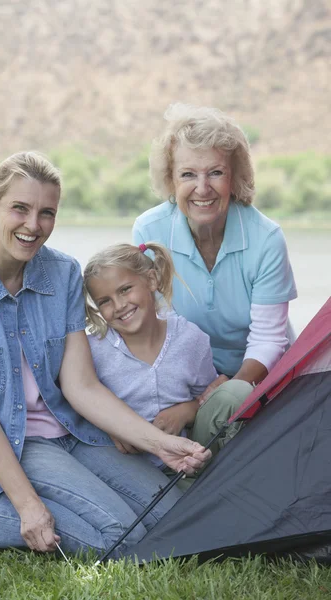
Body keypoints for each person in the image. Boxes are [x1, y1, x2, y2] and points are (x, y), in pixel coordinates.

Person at [0, 151, 211, 557]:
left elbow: (81, 387)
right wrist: (29, 508)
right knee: (121, 537)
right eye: (20, 209)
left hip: (74, 429)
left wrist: (158, 444)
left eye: (47, 212)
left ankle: (9, 502)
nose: (33, 225)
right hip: (18, 441)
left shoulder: (62, 273)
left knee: (172, 513)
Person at [133, 104, 297, 417]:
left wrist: (228, 388)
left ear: (234, 176)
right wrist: (193, 398)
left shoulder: (266, 239)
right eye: (188, 174)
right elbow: (162, 326)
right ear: (171, 179)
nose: (202, 188)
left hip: (259, 375)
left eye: (216, 172)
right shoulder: (149, 231)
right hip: (188, 375)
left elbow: (268, 340)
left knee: (231, 400)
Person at [83, 241, 220, 467]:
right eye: (104, 301)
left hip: (186, 461)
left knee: (235, 394)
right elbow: (80, 404)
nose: (118, 306)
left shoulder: (190, 339)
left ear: (151, 280)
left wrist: (187, 411)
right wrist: (111, 428)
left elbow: (207, 399)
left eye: (125, 289)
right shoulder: (93, 351)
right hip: (127, 468)